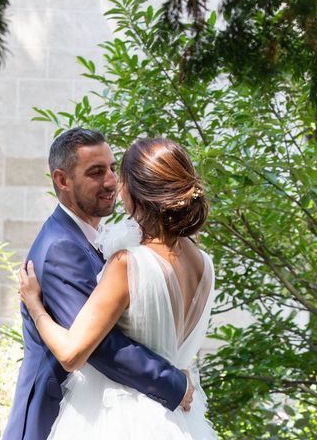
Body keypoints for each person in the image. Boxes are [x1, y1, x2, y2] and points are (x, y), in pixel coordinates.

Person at [19, 137, 218, 439]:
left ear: (134, 191)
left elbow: (75, 351)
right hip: (179, 420)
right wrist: (176, 382)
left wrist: (34, 307)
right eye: (98, 172)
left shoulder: (128, 261)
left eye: (115, 172)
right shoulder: (203, 262)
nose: (112, 182)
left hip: (120, 416)